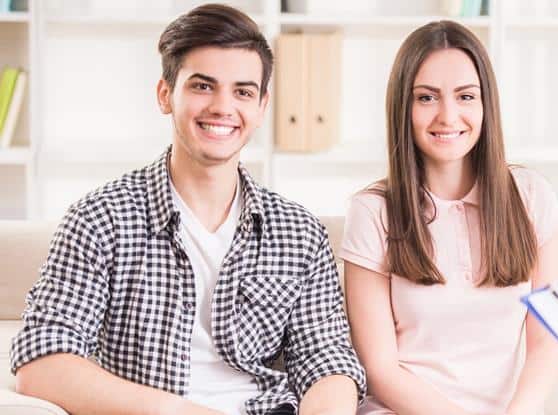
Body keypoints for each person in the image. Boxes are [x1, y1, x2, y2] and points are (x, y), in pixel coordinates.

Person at [10, 4, 365, 415]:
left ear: (262, 106)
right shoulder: (99, 219)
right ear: (165, 94)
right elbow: (42, 362)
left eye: (243, 91)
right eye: (202, 86)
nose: (222, 107)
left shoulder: (300, 232)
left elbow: (327, 359)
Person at [340, 20, 558, 415]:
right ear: (403, 108)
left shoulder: (530, 195)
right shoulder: (372, 211)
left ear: (485, 105)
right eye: (427, 98)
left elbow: (547, 339)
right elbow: (379, 369)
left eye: (465, 96)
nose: (448, 116)